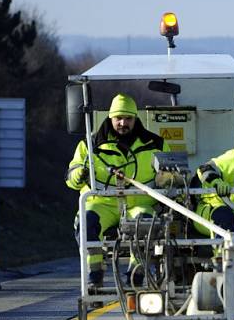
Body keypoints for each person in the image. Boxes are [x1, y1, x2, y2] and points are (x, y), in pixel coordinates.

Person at [65, 94, 170, 290]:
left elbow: (173, 175)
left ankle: (135, 273)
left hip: (140, 202)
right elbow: (71, 175)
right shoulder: (89, 144)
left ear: (135, 118)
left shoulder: (156, 144)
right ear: (110, 118)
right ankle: (95, 273)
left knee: (146, 223)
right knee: (86, 222)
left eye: (128, 118)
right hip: (101, 203)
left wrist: (167, 178)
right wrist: (78, 174)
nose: (123, 123)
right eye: (118, 118)